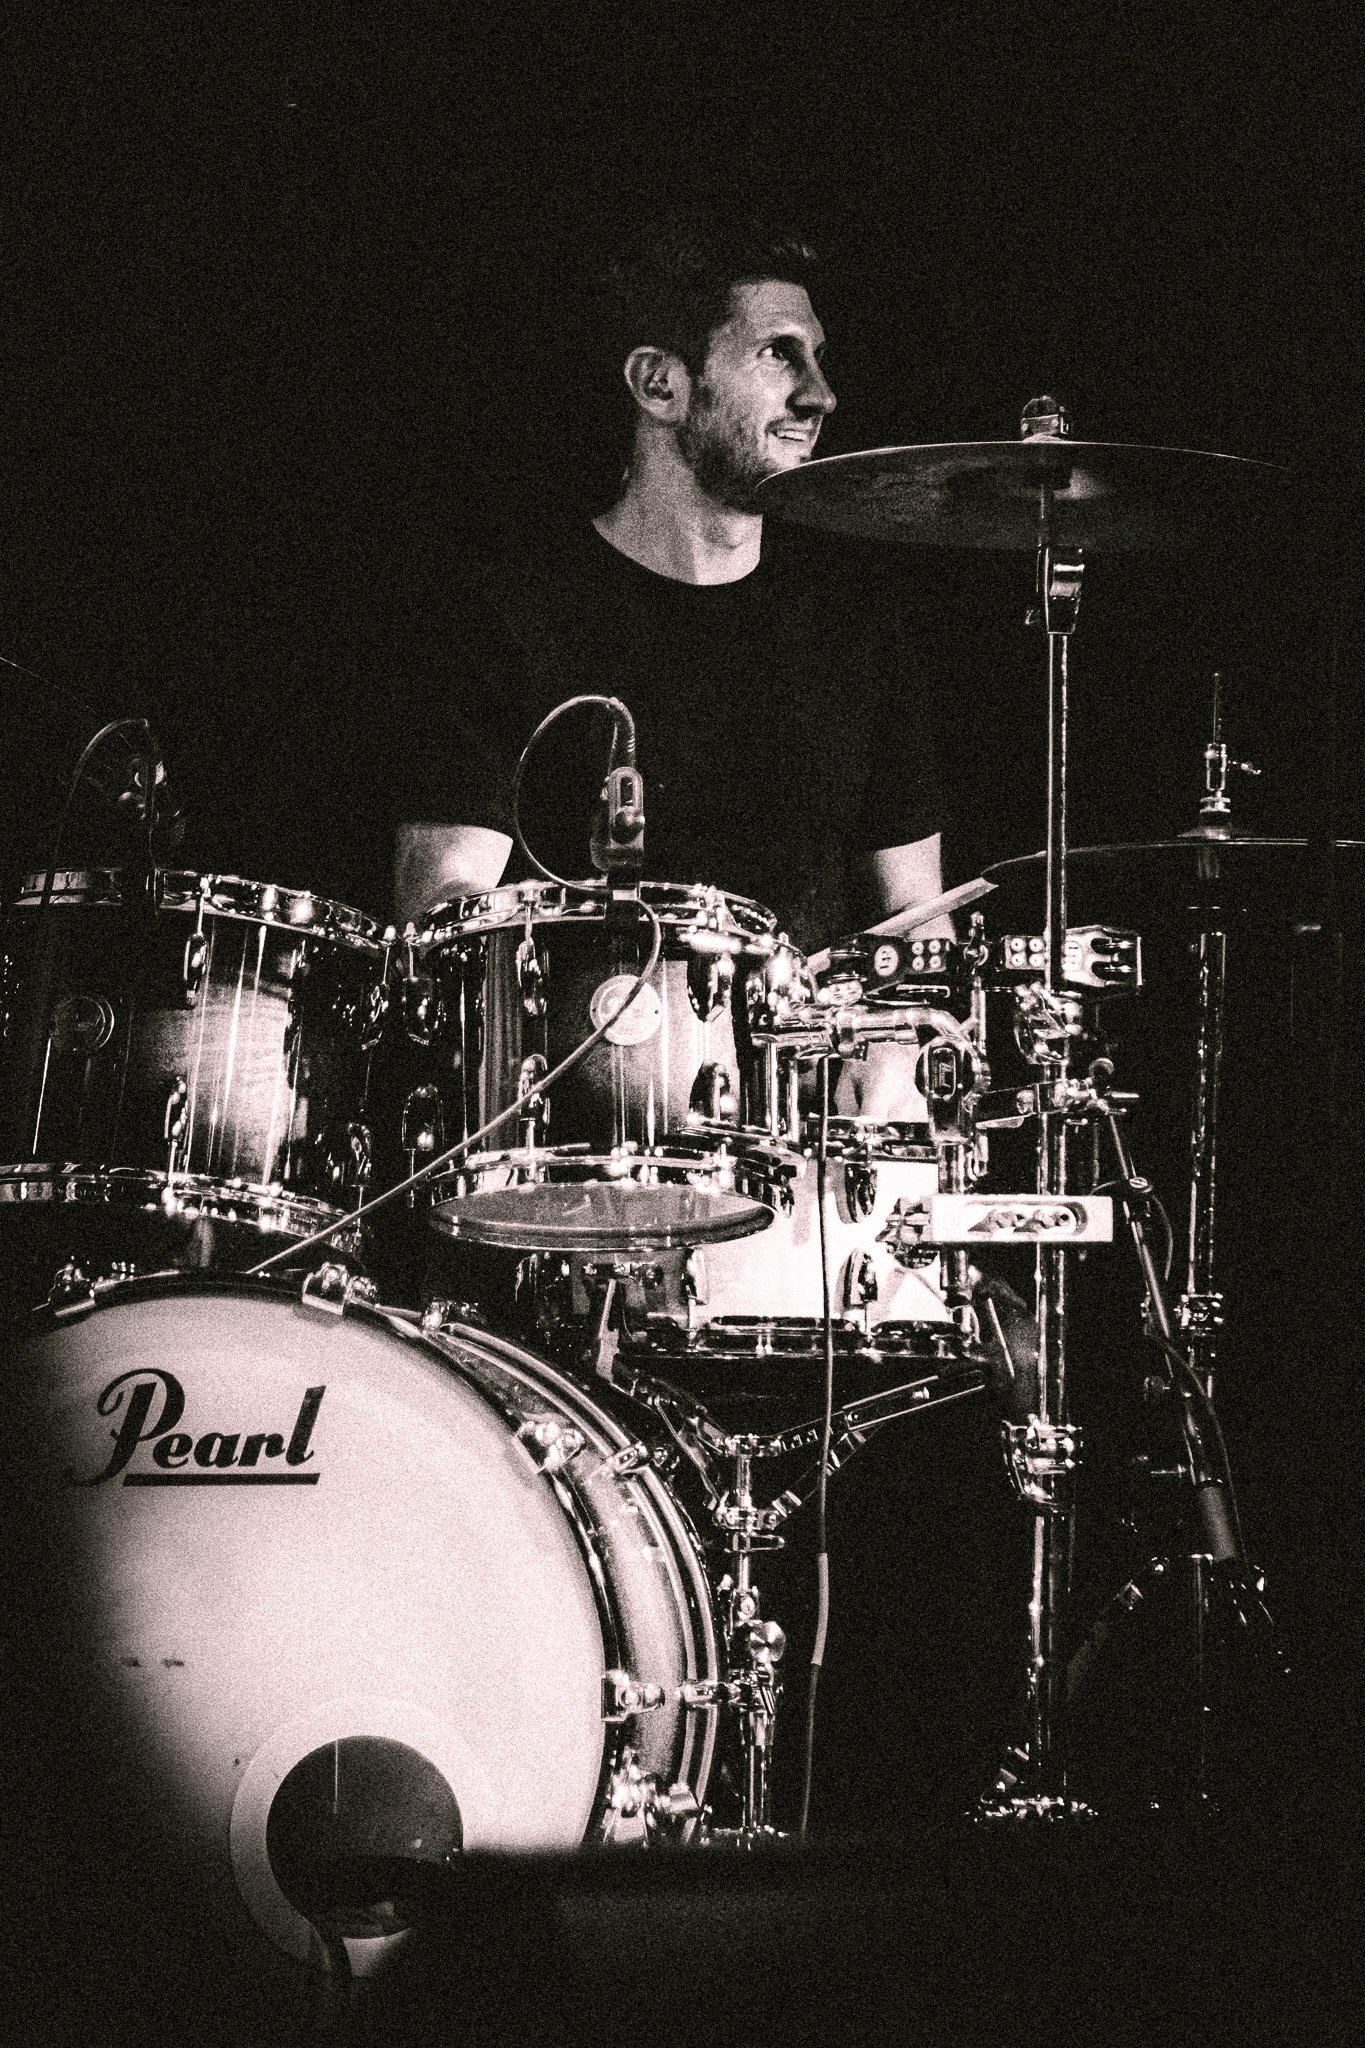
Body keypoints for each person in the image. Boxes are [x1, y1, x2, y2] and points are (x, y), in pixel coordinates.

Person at [389, 212, 953, 1115]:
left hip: (794, 1142)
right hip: (574, 1125)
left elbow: (913, 916)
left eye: (816, 356)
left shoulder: (855, 629)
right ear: (660, 384)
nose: (821, 397)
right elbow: (444, 907)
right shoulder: (514, 612)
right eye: (776, 355)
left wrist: (892, 1063)